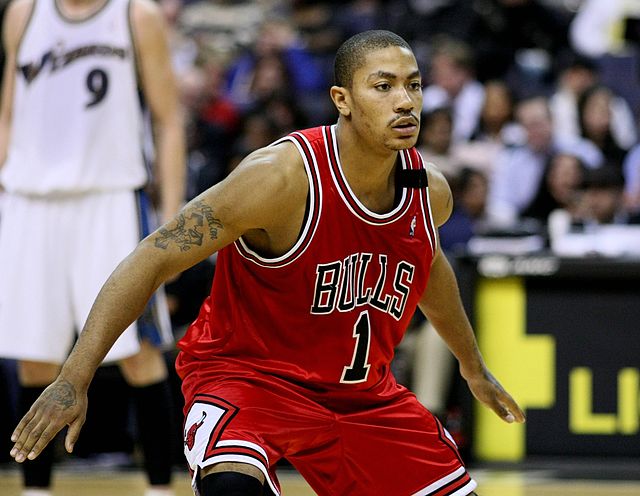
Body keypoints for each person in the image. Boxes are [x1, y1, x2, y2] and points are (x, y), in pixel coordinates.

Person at [9, 30, 524, 496]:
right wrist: (75, 376)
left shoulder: (428, 191)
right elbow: (152, 257)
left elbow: (427, 267)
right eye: (383, 86)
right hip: (248, 380)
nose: (405, 102)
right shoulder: (279, 179)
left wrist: (473, 367)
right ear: (342, 100)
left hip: (361, 399)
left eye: (413, 85)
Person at [0, 0, 186, 494]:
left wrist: (171, 219)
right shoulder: (24, 12)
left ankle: (159, 486)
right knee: (34, 358)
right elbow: (7, 114)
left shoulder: (135, 15)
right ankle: (36, 488)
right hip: (30, 201)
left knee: (137, 352)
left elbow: (169, 121)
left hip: (109, 198)